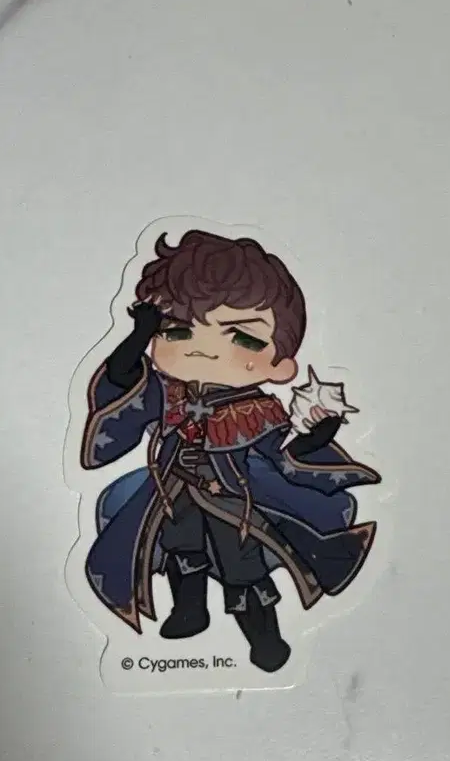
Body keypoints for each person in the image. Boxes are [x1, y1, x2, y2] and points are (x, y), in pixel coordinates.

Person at [79, 229, 380, 673]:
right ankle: (190, 611)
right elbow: (122, 380)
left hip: (234, 499)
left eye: (242, 338)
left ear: (282, 366)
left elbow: (285, 454)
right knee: (178, 545)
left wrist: (318, 436)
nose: (203, 349)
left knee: (242, 566)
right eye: (177, 331)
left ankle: (264, 636)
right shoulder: (167, 391)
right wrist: (140, 334)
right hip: (171, 489)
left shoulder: (257, 409)